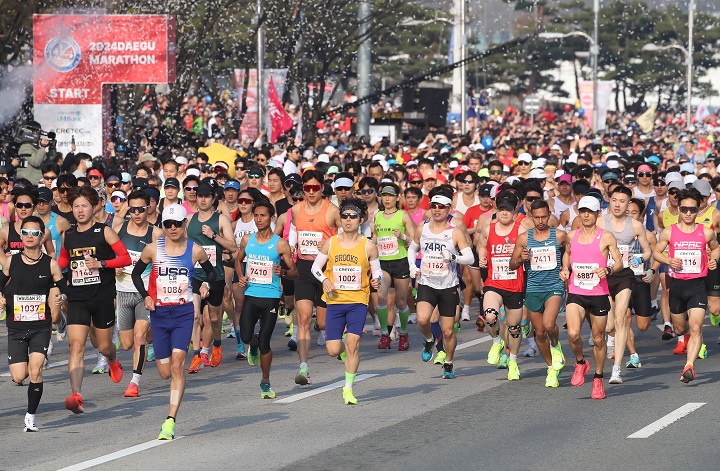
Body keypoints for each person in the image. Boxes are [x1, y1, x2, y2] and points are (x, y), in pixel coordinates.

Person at [132, 203, 215, 440]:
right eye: (167, 224)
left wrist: (205, 284)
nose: (172, 228)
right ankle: (170, 408)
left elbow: (210, 272)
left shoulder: (195, 250)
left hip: (183, 313)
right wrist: (146, 296)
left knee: (178, 365)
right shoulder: (153, 250)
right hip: (159, 314)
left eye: (177, 224)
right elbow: (137, 274)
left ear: (184, 224)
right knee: (165, 372)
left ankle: (170, 420)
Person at [58, 185, 132, 413]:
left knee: (103, 346)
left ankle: (112, 359)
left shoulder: (105, 231)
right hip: (77, 298)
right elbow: (62, 263)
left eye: (84, 206)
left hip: (102, 297)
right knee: (76, 346)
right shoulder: (67, 235)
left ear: (94, 207)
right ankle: (76, 395)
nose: (80, 210)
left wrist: (101, 264)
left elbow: (126, 258)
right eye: (76, 206)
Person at [312, 198, 381, 404]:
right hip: (335, 301)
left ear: (360, 219)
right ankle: (342, 352)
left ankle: (348, 389)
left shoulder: (368, 245)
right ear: (340, 219)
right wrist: (324, 279)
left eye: (353, 216)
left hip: (358, 301)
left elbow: (377, 270)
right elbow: (315, 268)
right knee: (333, 349)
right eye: (344, 216)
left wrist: (377, 279)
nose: (348, 220)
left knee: (353, 344)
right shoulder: (331, 243)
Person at [0, 216, 64, 431]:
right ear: (20, 235)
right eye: (26, 232)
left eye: (35, 233)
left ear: (42, 236)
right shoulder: (12, 261)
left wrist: (61, 298)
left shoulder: (50, 264)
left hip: (40, 326)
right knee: (19, 375)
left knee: (35, 370)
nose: (30, 236)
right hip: (16, 328)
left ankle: (30, 417)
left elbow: (65, 288)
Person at [653, 188, 720, 383]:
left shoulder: (706, 233)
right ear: (679, 209)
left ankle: (689, 365)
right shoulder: (669, 232)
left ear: (698, 209)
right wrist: (668, 260)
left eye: (692, 209)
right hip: (677, 286)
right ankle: (686, 339)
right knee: (681, 329)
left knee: (697, 326)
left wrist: (714, 260)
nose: (688, 213)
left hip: (698, 285)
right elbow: (657, 253)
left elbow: (716, 249)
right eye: (684, 209)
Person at [406, 187, 474, 379]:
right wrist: (412, 266)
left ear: (448, 209)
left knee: (449, 330)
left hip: (449, 286)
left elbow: (469, 258)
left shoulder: (455, 232)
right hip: (427, 282)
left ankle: (449, 363)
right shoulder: (423, 229)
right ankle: (429, 340)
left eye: (441, 207)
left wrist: (453, 257)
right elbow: (413, 248)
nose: (437, 210)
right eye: (434, 206)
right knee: (422, 319)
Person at [560, 196, 622, 400]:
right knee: (573, 334)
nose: (586, 214)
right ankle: (580, 362)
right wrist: (565, 269)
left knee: (598, 339)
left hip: (598, 293)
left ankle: (598, 379)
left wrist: (608, 269)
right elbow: (567, 254)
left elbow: (619, 262)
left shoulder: (606, 237)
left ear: (597, 214)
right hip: (576, 292)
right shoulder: (572, 236)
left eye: (590, 211)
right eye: (583, 210)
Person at [235, 200, 297, 399]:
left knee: (265, 341)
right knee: (246, 336)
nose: (258, 219)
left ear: (271, 218)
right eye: (256, 215)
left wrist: (284, 272)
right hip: (251, 295)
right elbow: (238, 260)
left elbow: (294, 272)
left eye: (262, 216)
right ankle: (251, 344)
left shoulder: (280, 244)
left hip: (271, 298)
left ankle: (265, 381)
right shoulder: (247, 240)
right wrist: (241, 275)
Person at [288, 170, 341, 384]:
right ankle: (304, 367)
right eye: (307, 188)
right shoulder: (295, 209)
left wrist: (329, 245)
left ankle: (341, 342)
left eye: (315, 188)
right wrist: (292, 244)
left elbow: (345, 235)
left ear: (321, 188)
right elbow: (293, 227)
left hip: (326, 270)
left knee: (322, 323)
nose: (310, 192)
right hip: (304, 268)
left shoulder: (332, 211)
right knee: (302, 318)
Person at [596, 185, 652, 384]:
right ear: (609, 201)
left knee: (621, 319)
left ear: (629, 203)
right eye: (614, 200)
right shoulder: (600, 222)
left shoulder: (635, 225)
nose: (617, 205)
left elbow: (647, 250)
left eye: (622, 201)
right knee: (609, 324)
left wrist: (640, 259)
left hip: (624, 276)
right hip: (603, 275)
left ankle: (616, 370)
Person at [510, 199, 568, 387]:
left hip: (554, 286)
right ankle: (551, 368)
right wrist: (520, 259)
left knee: (549, 324)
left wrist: (566, 267)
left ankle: (556, 345)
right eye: (537, 217)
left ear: (549, 215)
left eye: (544, 216)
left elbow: (569, 251)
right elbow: (512, 264)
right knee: (540, 333)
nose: (541, 221)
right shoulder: (524, 238)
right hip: (534, 288)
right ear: (531, 217)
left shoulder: (559, 235)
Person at [115, 190, 163, 397]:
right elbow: (109, 256)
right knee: (126, 344)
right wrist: (113, 267)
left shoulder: (156, 234)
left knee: (139, 337)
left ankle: (134, 382)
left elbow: (165, 262)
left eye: (141, 209)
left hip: (145, 294)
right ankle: (155, 334)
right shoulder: (118, 230)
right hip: (123, 292)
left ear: (148, 209)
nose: (136, 213)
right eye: (132, 209)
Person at [186, 183, 236, 372]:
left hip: (215, 274)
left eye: (207, 196)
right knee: (195, 316)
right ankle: (197, 356)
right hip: (194, 274)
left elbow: (232, 247)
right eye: (200, 196)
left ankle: (217, 343)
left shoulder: (221, 219)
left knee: (214, 318)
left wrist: (213, 235)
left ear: (213, 198)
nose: (203, 199)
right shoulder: (189, 220)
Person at [476, 191, 526, 378]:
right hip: (494, 282)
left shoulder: (520, 231)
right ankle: (497, 341)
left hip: (514, 285)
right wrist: (482, 256)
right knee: (490, 316)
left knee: (514, 328)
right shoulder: (489, 228)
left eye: (508, 210)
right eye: (502, 209)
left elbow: (530, 255)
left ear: (514, 212)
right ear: (497, 210)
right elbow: (481, 245)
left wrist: (519, 252)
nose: (505, 213)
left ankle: (512, 361)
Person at [372, 183, 415, 350]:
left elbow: (413, 240)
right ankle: (385, 334)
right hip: (382, 263)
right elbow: (375, 237)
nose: (387, 198)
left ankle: (403, 333)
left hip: (400, 262)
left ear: (398, 197)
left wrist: (403, 236)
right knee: (381, 298)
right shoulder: (377, 216)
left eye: (390, 195)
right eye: (384, 195)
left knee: (401, 302)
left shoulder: (403, 216)